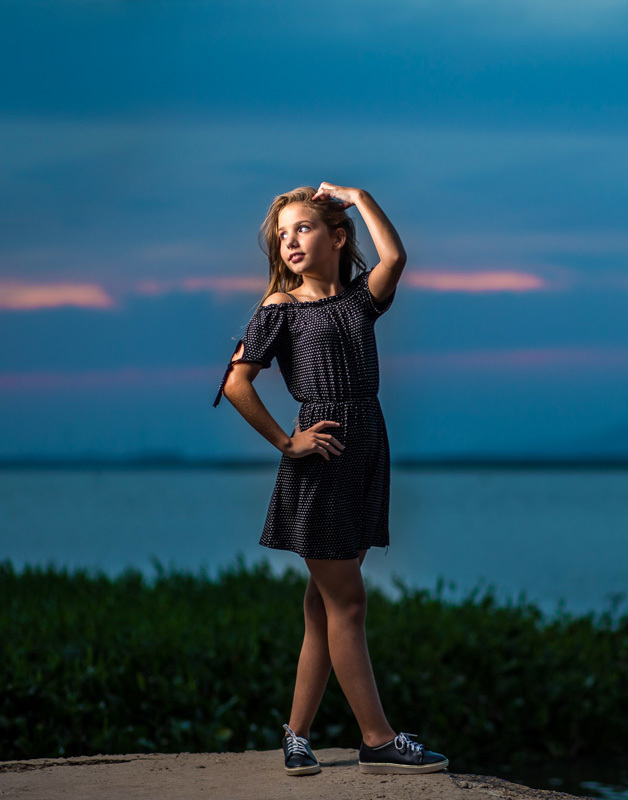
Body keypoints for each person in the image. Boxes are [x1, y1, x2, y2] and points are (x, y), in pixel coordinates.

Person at [213, 183, 449, 777]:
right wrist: (286, 441)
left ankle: (297, 737)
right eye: (282, 234)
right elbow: (236, 382)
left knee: (322, 606)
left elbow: (394, 257)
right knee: (348, 601)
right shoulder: (279, 308)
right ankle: (378, 740)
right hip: (321, 460)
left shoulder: (359, 301)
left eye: (304, 228)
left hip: (366, 449)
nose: (290, 241)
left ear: (337, 237)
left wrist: (359, 197)